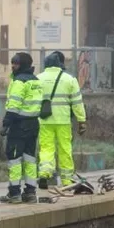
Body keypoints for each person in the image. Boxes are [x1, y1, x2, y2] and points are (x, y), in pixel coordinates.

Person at [36, 51, 86, 189]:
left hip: (45, 121)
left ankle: (45, 174)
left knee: (46, 148)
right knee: (65, 149)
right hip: (63, 121)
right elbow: (77, 102)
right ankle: (67, 180)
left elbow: (33, 101)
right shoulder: (69, 79)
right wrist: (82, 120)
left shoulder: (38, 79)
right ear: (59, 65)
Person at [1, 52, 43, 203]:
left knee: (14, 159)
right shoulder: (36, 81)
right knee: (30, 159)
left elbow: (13, 106)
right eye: (12, 63)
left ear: (23, 65)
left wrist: (6, 124)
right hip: (33, 125)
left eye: (16, 64)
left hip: (18, 125)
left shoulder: (19, 82)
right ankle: (30, 192)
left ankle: (14, 193)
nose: (13, 66)